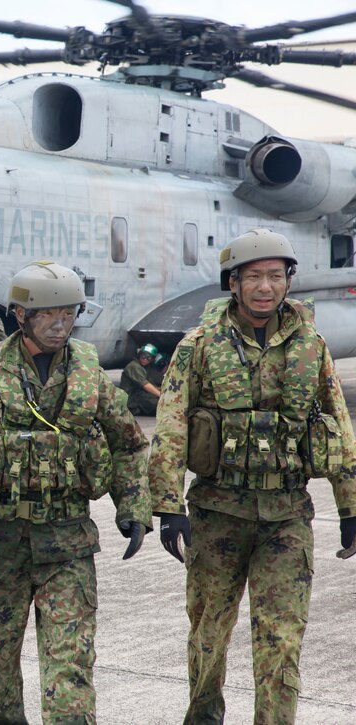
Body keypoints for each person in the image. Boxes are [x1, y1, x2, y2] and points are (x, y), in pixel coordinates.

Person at [0, 260, 150, 724]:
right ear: (20, 315)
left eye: (69, 314)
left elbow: (129, 443)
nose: (60, 324)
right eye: (49, 314)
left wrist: (133, 506)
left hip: (67, 542)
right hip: (1, 541)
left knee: (70, 672)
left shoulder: (88, 373)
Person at [149, 228, 356, 724]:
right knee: (208, 635)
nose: (266, 287)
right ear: (233, 283)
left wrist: (350, 506)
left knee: (281, 640)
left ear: (288, 281)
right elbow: (172, 425)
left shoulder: (312, 345)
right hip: (217, 514)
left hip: (286, 516)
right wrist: (167, 505)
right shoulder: (199, 346)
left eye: (275, 276)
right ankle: (203, 716)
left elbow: (338, 425)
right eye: (254, 278)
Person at [119, 343, 162, 416]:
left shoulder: (144, 368)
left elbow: (151, 384)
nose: (145, 360)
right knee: (160, 403)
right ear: (139, 355)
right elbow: (146, 385)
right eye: (143, 356)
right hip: (131, 399)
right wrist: (161, 395)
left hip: (138, 395)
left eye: (148, 358)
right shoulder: (134, 366)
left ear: (152, 359)